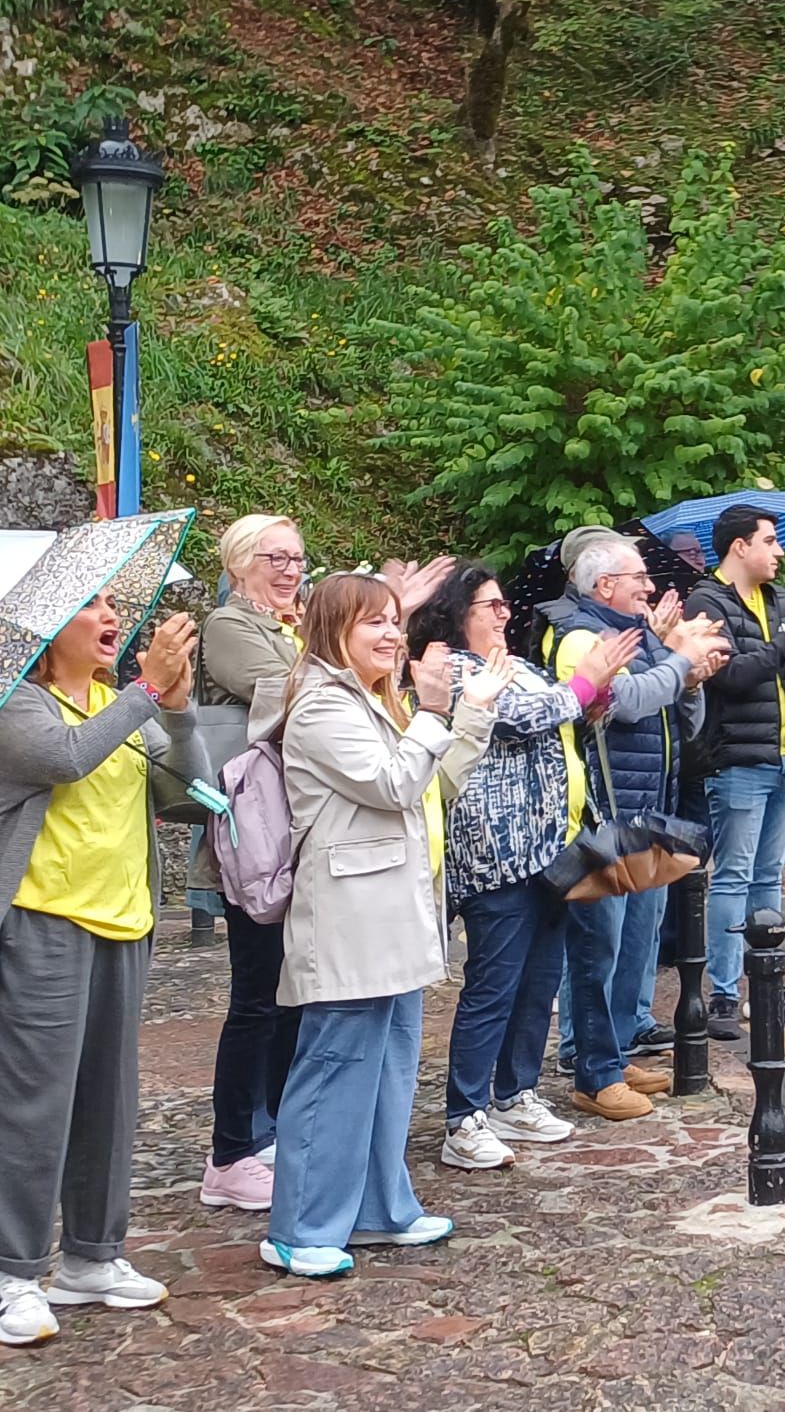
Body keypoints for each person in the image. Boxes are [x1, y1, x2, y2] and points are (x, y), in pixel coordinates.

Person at [261, 573, 504, 1279]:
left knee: (390, 1071)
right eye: (374, 623)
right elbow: (394, 782)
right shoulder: (317, 706)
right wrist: (431, 709)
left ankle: (377, 1210)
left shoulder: (374, 703)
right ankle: (300, 1225)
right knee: (334, 1070)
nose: (393, 636)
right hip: (349, 920)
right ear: (334, 628)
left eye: (396, 621)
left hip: (395, 914)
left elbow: (434, 787)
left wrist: (472, 715)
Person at [0, 601, 204, 1345]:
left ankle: (91, 1258)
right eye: (93, 606)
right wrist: (146, 692)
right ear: (45, 625)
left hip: (124, 920)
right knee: (33, 1104)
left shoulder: (117, 702)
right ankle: (12, 1271)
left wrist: (177, 713)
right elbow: (64, 758)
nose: (113, 615)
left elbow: (187, 795)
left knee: (109, 1100)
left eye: (115, 604)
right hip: (43, 921)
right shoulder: (16, 700)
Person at [406, 563, 643, 1160]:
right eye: (490, 606)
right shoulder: (452, 668)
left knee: (539, 982)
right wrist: (584, 685)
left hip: (553, 846)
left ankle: (515, 1095)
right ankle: (464, 1115)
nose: (504, 615)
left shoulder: (525, 668)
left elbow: (565, 717)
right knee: (494, 983)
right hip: (495, 850)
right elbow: (522, 718)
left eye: (506, 606)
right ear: (457, 614)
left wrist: (595, 700)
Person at [546, 537, 723, 1107]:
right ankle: (591, 1068)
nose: (649, 587)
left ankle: (617, 1055)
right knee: (601, 948)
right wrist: (678, 662)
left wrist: (689, 680)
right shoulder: (580, 637)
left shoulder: (638, 635)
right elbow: (627, 702)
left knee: (636, 944)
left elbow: (675, 715)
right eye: (638, 577)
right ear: (603, 586)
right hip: (608, 814)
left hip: (648, 808)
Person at [194, 513, 309, 1213]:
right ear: (242, 563)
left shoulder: (298, 627)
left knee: (295, 991)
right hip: (254, 833)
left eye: (298, 558)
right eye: (277, 556)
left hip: (298, 827)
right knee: (257, 995)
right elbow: (286, 695)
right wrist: (322, 646)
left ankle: (275, 1129)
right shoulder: (228, 626)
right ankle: (233, 1147)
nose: (291, 569)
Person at [686, 506, 785, 1034]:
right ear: (739, 547)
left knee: (770, 875)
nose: (779, 553)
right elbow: (731, 678)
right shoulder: (706, 601)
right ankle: (724, 995)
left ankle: (765, 986)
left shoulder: (779, 601)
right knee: (732, 874)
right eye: (769, 542)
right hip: (739, 759)